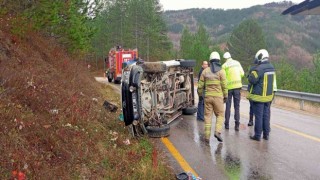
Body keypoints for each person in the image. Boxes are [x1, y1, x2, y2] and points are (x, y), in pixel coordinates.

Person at [198, 52, 228, 143]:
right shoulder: (221, 71)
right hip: (218, 97)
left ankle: (207, 137)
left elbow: (200, 86)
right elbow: (224, 85)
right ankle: (217, 132)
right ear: (219, 60)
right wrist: (225, 96)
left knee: (207, 117)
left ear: (210, 61)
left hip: (208, 97)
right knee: (220, 115)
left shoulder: (205, 71)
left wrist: (200, 96)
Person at [248, 49, 277, 141]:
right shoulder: (271, 67)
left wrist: (250, 74)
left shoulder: (259, 69)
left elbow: (252, 80)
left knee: (259, 116)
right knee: (266, 116)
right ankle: (266, 134)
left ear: (260, 57)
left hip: (259, 97)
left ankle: (257, 135)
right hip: (268, 97)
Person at [222, 52, 244, 131]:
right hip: (237, 87)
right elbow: (242, 74)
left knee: (228, 106)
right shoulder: (237, 63)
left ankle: (227, 124)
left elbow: (223, 78)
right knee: (237, 106)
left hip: (229, 88)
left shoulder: (224, 66)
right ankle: (237, 125)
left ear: (225, 58)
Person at [247, 58, 258, 126]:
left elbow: (248, 77)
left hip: (251, 90)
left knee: (251, 106)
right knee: (258, 107)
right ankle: (258, 122)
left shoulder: (251, 69)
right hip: (258, 91)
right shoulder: (261, 69)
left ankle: (251, 121)